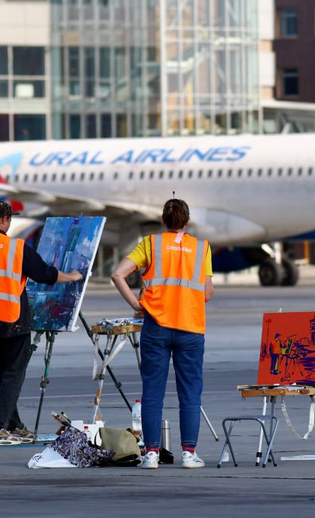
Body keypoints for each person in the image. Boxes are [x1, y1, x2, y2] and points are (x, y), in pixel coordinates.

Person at [0, 199, 83, 446]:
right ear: (6, 220)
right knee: (13, 376)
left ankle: (14, 426)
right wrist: (72, 276)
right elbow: (45, 275)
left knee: (2, 377)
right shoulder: (15, 248)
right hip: (12, 318)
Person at [111, 197, 213, 470]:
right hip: (191, 327)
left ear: (163, 220)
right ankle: (189, 454)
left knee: (152, 393)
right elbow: (208, 293)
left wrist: (136, 304)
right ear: (187, 221)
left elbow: (118, 274)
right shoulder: (202, 248)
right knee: (190, 392)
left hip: (156, 325)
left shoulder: (151, 244)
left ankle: (152, 453)